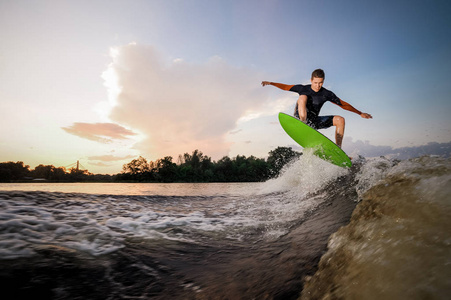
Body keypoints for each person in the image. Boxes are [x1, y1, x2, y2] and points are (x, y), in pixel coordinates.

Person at [262, 69, 372, 148]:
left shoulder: (326, 94)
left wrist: (360, 113)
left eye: (320, 83)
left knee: (340, 120)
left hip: (314, 121)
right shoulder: (303, 89)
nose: (318, 86)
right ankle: (303, 124)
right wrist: (271, 83)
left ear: (323, 81)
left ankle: (338, 149)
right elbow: (286, 87)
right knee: (302, 97)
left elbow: (343, 104)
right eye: (315, 83)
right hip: (301, 119)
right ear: (311, 80)